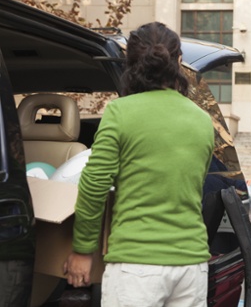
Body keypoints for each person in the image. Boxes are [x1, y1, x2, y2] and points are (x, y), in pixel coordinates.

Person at [64, 22, 214, 306]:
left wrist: (83, 250)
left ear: (130, 64)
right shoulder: (202, 120)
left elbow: (94, 184)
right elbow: (192, 185)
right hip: (192, 264)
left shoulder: (120, 113)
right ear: (179, 61)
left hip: (136, 265)